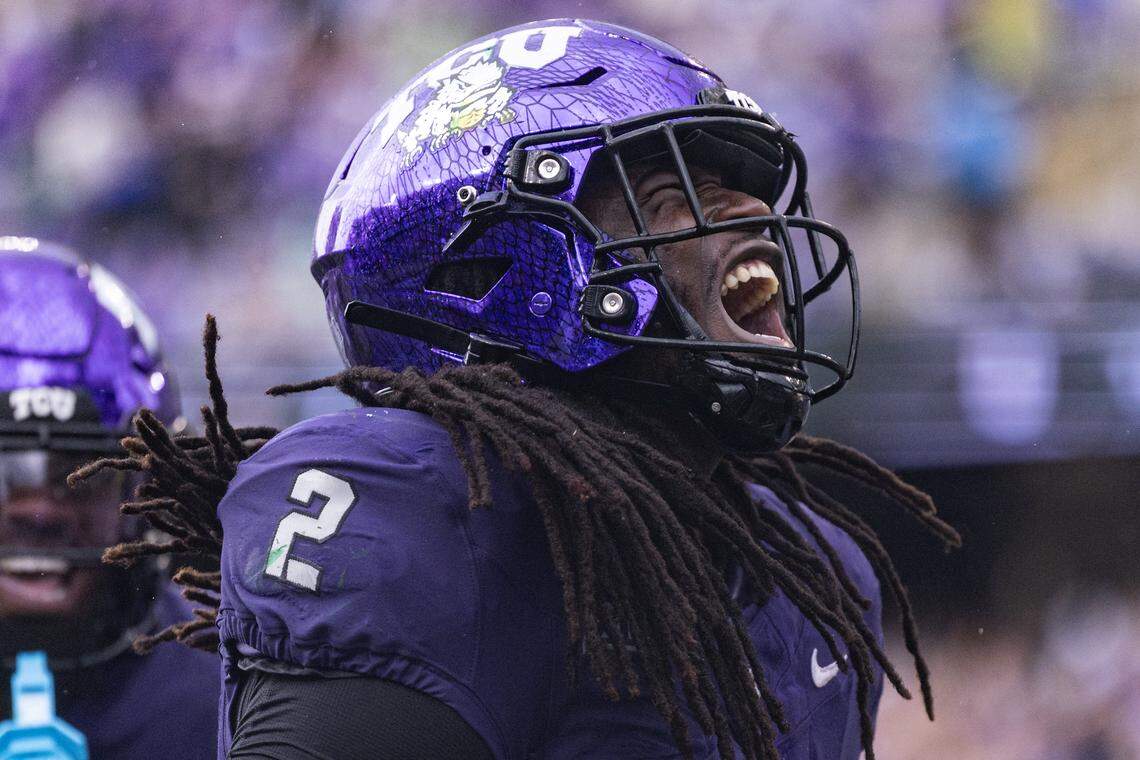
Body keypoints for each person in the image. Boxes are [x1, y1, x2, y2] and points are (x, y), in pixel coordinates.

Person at [79, 20, 960, 760]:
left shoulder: (811, 570)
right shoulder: (414, 509)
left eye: (743, 192)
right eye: (672, 195)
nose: (752, 217)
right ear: (489, 270)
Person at [0, 237, 219, 758]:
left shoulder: (231, 691)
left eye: (84, 474)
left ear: (146, 488)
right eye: (5, 472)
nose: (39, 510)